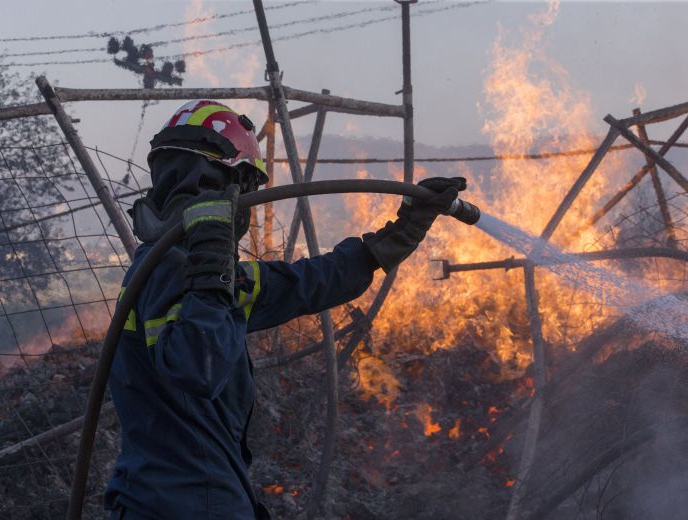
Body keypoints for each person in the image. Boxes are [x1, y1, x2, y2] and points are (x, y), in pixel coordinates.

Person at [104, 100, 466, 520]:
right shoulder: (172, 273)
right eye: (244, 188)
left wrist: (397, 236)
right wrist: (208, 276)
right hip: (183, 507)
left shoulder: (211, 278)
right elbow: (197, 367)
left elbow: (305, 282)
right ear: (224, 183)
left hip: (187, 496)